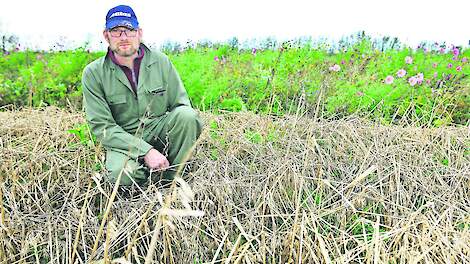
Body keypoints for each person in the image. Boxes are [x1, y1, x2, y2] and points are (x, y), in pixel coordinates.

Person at [82, 5, 203, 186]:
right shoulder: (93, 73)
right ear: (106, 36)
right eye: (116, 31)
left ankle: (171, 184)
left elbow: (181, 105)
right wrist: (146, 151)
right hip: (123, 139)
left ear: (139, 33)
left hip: (158, 129)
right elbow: (102, 127)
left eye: (129, 30)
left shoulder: (161, 62)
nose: (123, 37)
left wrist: (172, 142)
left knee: (188, 116)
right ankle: (142, 184)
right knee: (121, 176)